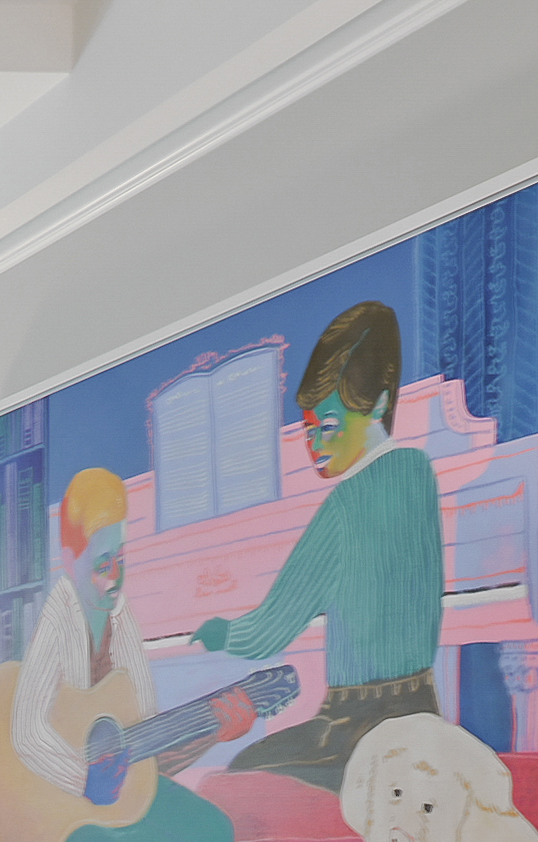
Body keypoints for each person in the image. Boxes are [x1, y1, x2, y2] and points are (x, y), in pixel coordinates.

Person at [189, 299, 444, 790]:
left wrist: (223, 633)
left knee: (237, 781)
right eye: (307, 430)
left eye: (327, 426)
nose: (315, 446)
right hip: (423, 711)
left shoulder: (344, 506)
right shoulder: (418, 473)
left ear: (381, 405)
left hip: (354, 730)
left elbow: (272, 631)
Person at [12, 466, 250, 842]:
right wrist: (83, 779)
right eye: (102, 564)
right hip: (66, 811)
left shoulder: (122, 618)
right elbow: (26, 730)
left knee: (217, 831)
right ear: (68, 560)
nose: (115, 578)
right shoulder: (57, 620)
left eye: (121, 558)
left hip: (123, 788)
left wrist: (211, 732)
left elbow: (145, 739)